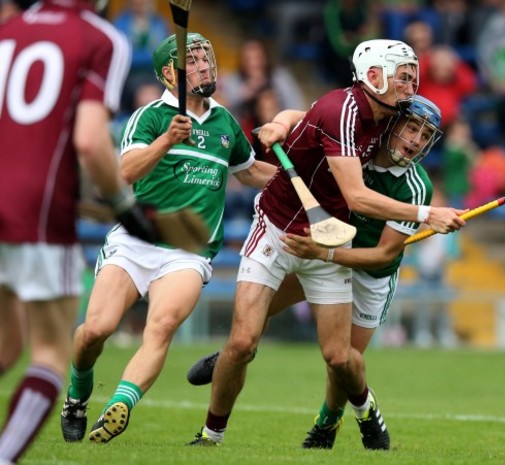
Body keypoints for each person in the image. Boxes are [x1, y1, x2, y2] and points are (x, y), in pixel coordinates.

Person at [186, 38, 466, 450]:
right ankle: (216, 418)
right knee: (245, 338)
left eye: (425, 135)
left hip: (352, 257)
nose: (416, 138)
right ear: (375, 76)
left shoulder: (398, 154)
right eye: (403, 79)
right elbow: (325, 140)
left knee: (341, 359)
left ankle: (351, 413)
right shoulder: (351, 114)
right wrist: (282, 123)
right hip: (288, 231)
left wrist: (328, 252)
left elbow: (386, 254)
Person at [57, 32, 278, 445]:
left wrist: (297, 182)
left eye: (205, 59)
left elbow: (248, 171)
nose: (203, 67)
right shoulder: (151, 117)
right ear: (167, 74)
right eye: (191, 62)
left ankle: (119, 404)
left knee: (160, 328)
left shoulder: (225, 121)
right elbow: (123, 174)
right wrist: (166, 141)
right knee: (95, 330)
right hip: (135, 242)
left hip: (189, 252)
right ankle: (77, 395)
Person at [0, 0, 162, 462]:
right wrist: (123, 207)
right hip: (36, 208)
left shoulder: (9, 30)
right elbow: (91, 141)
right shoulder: (100, 38)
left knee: (6, 346)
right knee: (50, 354)